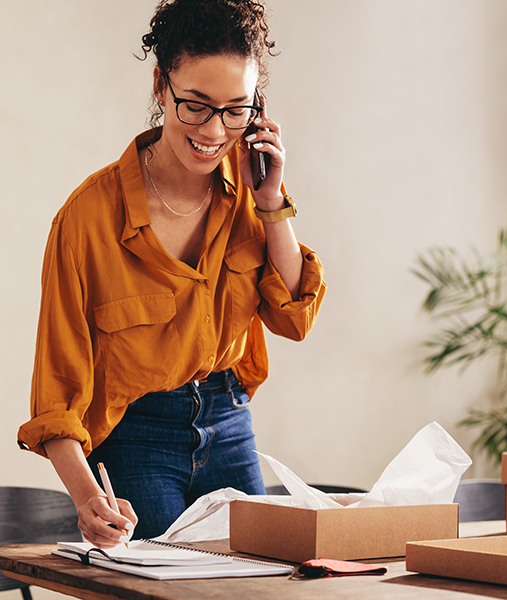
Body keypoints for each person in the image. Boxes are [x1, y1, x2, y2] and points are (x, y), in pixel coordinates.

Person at [18, 0, 325, 548]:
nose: (215, 130)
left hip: (229, 422)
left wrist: (272, 199)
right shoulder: (87, 219)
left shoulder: (251, 191)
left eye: (237, 109)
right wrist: (88, 499)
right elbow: (56, 394)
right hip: (137, 436)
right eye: (196, 105)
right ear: (161, 85)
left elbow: (294, 317)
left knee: (258, 586)